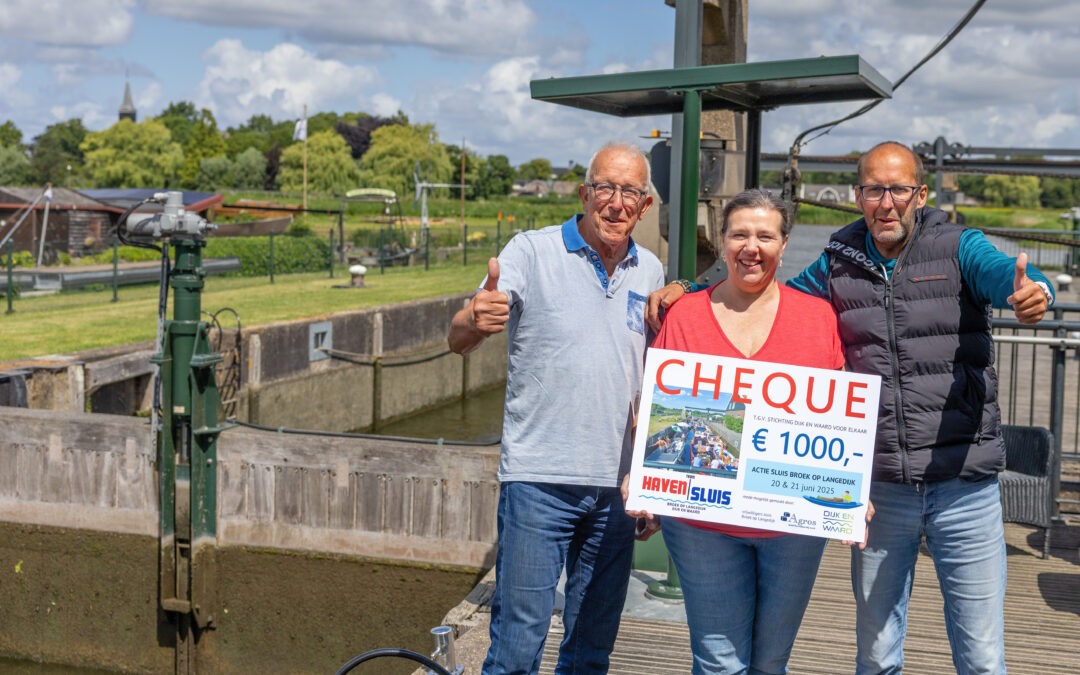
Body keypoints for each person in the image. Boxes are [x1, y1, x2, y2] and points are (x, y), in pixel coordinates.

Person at [645, 142, 1054, 674]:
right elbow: (759, 282)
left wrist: (1033, 291)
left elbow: (1006, 276)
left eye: (899, 189)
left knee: (980, 655)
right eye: (873, 190)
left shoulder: (959, 247)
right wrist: (689, 287)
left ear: (920, 194)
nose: (886, 203)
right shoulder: (841, 260)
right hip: (883, 487)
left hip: (963, 484)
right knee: (877, 653)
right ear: (859, 195)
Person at [448, 141, 665, 675]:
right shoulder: (530, 251)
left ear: (645, 205)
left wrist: (653, 481)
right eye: (605, 188)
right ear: (584, 192)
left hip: (616, 489)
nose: (616, 202)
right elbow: (459, 339)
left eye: (630, 192)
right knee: (517, 647)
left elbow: (660, 388)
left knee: (591, 649)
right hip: (538, 483)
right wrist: (476, 317)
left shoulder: (652, 271)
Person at [627, 189, 847, 674]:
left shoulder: (819, 319)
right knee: (718, 662)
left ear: (784, 244)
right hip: (704, 528)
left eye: (765, 235)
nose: (752, 246)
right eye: (739, 234)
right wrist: (641, 477)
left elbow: (837, 425)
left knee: (770, 663)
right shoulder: (683, 315)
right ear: (723, 242)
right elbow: (656, 408)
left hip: (791, 526)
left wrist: (852, 490)